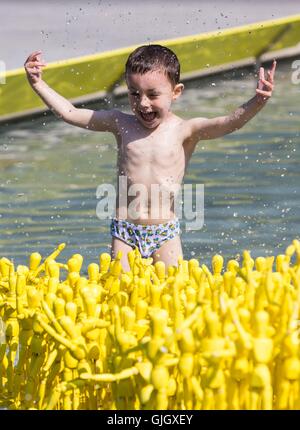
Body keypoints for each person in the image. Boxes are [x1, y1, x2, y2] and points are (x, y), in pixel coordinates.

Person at [24, 45, 276, 271]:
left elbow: (227, 123)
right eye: (134, 94)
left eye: (152, 95)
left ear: (176, 92)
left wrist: (258, 101)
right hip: (125, 230)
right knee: (120, 294)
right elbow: (70, 112)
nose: (143, 103)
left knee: (172, 292)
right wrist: (38, 84)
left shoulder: (185, 130)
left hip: (164, 232)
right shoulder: (119, 123)